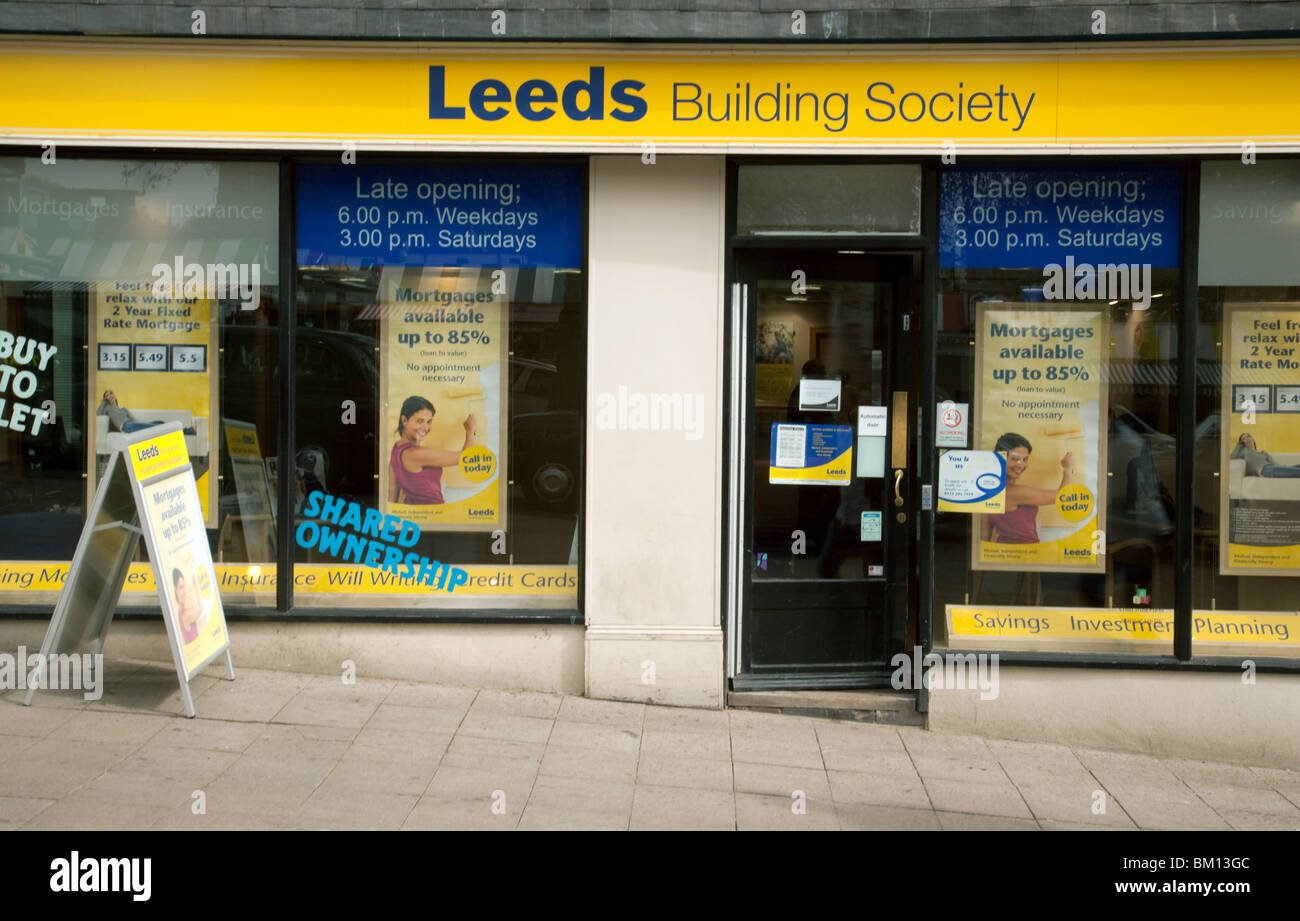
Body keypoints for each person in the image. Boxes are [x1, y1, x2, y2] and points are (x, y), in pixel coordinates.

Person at [981, 432, 1075, 544]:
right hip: (1024, 555)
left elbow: (983, 539)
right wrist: (1068, 469)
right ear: (999, 459)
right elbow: (1064, 497)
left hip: (1007, 555)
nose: (1021, 465)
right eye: (1015, 458)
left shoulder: (987, 492)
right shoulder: (1013, 492)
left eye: (1025, 459)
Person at [388, 395, 478, 505]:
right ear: (404, 420)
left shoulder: (396, 449)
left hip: (413, 512)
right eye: (420, 421)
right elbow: (467, 458)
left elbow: (392, 496)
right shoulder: (416, 454)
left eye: (429, 422)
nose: (426, 427)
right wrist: (470, 430)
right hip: (432, 514)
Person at [96, 391, 196, 434]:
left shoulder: (123, 409)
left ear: (114, 396)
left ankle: (185, 430)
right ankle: (187, 431)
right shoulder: (107, 408)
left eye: (111, 394)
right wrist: (103, 401)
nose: (110, 396)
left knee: (160, 423)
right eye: (107, 396)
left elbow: (135, 420)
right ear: (106, 399)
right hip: (126, 427)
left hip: (132, 424)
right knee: (159, 427)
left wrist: (145, 424)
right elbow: (98, 413)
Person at [1232, 432, 1300, 478]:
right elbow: (1232, 457)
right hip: (1264, 470)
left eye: (1248, 436)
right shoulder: (1244, 452)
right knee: (1294, 471)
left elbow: (1274, 464)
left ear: (1252, 438)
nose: (1247, 439)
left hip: (1271, 467)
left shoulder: (1263, 452)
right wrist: (1239, 444)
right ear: (1241, 442)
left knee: (1293, 468)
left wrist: (1283, 468)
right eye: (1243, 438)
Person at [172, 568, 200, 644]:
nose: (184, 591)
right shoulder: (185, 614)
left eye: (184, 586)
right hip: (197, 652)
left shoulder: (181, 612)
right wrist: (196, 586)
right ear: (176, 590)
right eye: (181, 587)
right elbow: (200, 608)